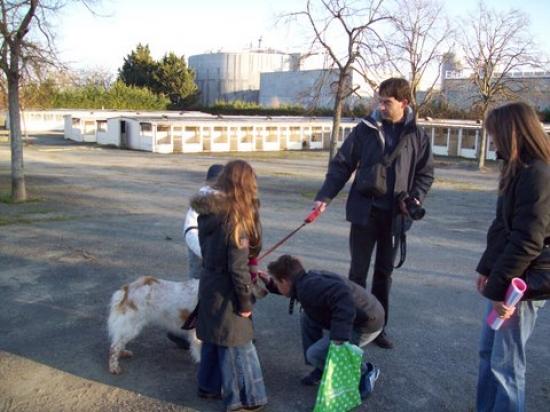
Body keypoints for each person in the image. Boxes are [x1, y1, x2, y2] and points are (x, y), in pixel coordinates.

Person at [313, 77, 434, 349]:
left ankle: (379, 328)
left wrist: (415, 197)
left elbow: (426, 174)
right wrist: (324, 197)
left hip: (396, 217)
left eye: (387, 102)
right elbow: (341, 165)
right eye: (379, 100)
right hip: (364, 213)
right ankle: (353, 324)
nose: (381, 106)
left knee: (384, 275)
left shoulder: (418, 135)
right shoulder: (365, 129)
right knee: (357, 272)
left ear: (404, 103)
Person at [475, 101, 550, 412]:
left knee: (506, 365)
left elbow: (527, 241)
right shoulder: (515, 167)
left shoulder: (539, 174)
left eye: (494, 135)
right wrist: (485, 269)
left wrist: (499, 290)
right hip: (508, 279)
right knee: (488, 354)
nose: (492, 142)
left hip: (524, 283)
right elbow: (501, 226)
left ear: (512, 132)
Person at [190, 160, 266, 412]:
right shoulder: (236, 221)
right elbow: (237, 268)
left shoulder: (208, 213)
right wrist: (245, 303)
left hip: (210, 284)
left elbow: (207, 252)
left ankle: (208, 386)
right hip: (228, 289)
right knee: (240, 343)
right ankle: (246, 398)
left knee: (215, 337)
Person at [262, 254, 384, 396]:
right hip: (362, 315)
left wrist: (339, 339)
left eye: (276, 282)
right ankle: (322, 368)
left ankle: (365, 373)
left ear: (285, 281)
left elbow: (342, 295)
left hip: (367, 324)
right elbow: (291, 290)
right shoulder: (305, 280)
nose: (276, 285)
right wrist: (269, 284)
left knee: (314, 354)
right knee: (307, 316)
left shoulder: (309, 288)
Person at [167, 163, 224, 349]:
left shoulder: (224, 200)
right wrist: (209, 254)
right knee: (198, 301)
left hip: (216, 263)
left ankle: (218, 333)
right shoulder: (200, 204)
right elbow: (191, 233)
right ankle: (184, 334)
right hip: (203, 264)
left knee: (215, 301)